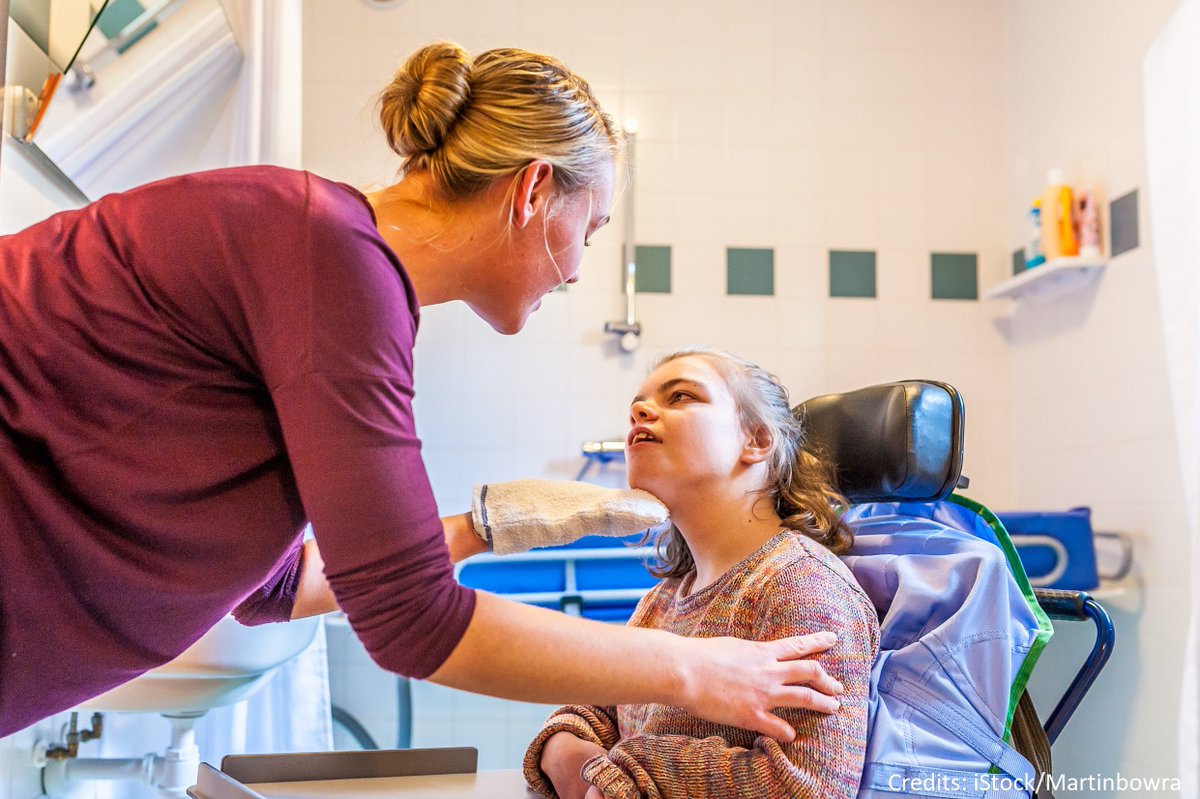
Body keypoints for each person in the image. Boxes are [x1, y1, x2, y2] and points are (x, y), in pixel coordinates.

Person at [0, 43, 843, 738]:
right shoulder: (328, 258)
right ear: (532, 190)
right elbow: (409, 620)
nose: (581, 266)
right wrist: (701, 670)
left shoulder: (330, 259)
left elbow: (272, 585)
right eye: (587, 229)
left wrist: (483, 527)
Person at [524, 347, 881, 799]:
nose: (638, 411)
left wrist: (626, 773)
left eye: (682, 396)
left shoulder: (801, 586)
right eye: (639, 403)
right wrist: (568, 752)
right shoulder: (665, 598)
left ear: (756, 441)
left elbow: (804, 788)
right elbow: (593, 713)